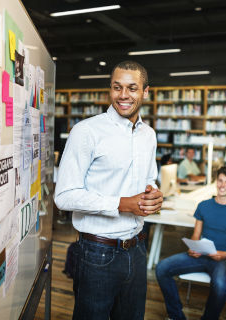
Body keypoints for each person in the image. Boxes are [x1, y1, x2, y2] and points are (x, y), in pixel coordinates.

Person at [54, 60, 163, 320]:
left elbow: (150, 178)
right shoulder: (86, 131)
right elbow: (63, 196)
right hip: (96, 254)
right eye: (117, 87)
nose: (123, 95)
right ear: (110, 90)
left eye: (132, 88)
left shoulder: (148, 135)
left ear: (145, 92)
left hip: (137, 250)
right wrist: (121, 203)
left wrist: (155, 194)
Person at [155, 166, 226, 320]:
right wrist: (193, 247)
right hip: (201, 255)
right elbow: (196, 235)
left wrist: (224, 254)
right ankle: (176, 316)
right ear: (215, 181)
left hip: (225, 259)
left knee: (220, 286)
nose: (222, 185)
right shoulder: (203, 205)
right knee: (161, 268)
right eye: (220, 180)